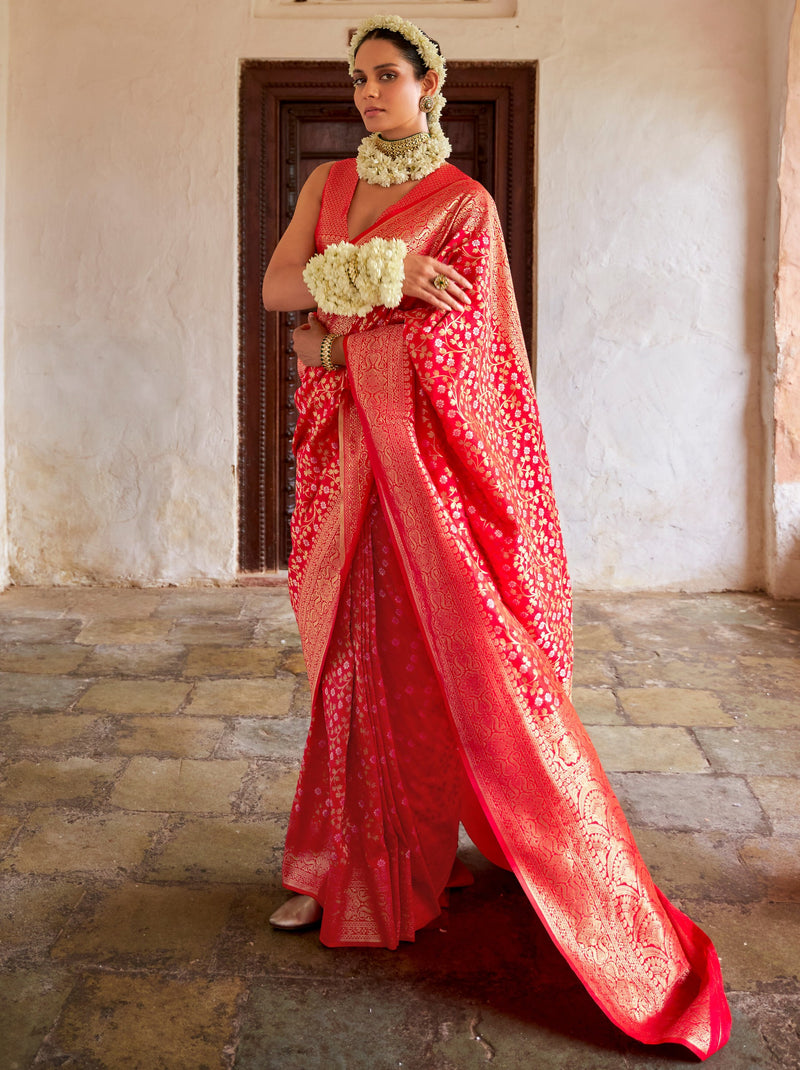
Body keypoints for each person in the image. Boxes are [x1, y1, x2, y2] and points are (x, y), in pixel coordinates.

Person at [261, 14, 730, 1060]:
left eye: (387, 75)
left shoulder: (465, 208)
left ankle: (415, 868)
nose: (369, 92)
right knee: (344, 662)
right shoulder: (326, 189)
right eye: (357, 78)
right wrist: (372, 285)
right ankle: (339, 864)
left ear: (430, 85)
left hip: (429, 481)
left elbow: (465, 358)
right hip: (347, 472)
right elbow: (276, 290)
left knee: (438, 666)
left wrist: (335, 338)